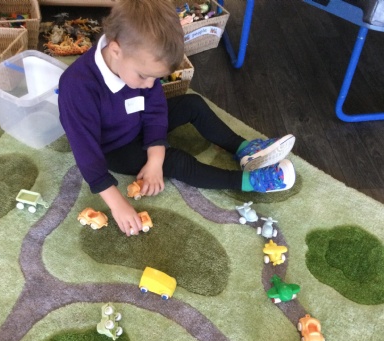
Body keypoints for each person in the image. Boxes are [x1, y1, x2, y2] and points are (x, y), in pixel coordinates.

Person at [58, 0, 296, 237]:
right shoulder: (77, 87)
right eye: (144, 76)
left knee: (193, 104)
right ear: (115, 50)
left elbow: (155, 108)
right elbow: (86, 153)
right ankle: (249, 182)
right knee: (177, 161)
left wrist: (155, 155)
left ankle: (244, 149)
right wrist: (117, 203)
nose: (150, 85)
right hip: (115, 148)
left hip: (137, 121)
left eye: (155, 78)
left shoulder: (137, 65)